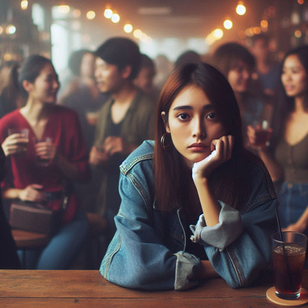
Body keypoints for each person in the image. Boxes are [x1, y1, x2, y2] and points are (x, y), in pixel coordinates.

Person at [100, 62, 278, 290]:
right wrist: (208, 268)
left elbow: (244, 271)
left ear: (229, 121)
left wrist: (201, 179)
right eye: (184, 116)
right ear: (166, 123)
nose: (198, 131)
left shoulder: (252, 172)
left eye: (212, 115)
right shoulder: (141, 168)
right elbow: (136, 267)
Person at [0, 55, 90, 269]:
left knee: (46, 271)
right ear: (28, 85)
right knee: (23, 274)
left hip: (67, 215)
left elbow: (85, 174)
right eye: (49, 80)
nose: (56, 85)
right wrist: (20, 192)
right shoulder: (7, 124)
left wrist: (59, 159)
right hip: (27, 217)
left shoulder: (68, 118)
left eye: (56, 79)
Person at [89, 37, 155, 238]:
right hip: (109, 202)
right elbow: (99, 150)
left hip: (142, 208)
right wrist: (94, 156)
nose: (97, 74)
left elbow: (169, 157)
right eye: (96, 67)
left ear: (125, 71)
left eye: (103, 67)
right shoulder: (105, 109)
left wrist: (130, 148)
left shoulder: (149, 109)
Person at [248, 45, 308, 235]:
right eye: (284, 72)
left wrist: (301, 225)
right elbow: (276, 175)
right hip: (281, 203)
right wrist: (261, 149)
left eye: (295, 71)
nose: (287, 78)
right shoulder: (279, 116)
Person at [212, 43, 268, 132]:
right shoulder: (212, 108)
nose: (247, 75)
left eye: (248, 69)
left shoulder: (256, 105)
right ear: (223, 70)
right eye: (239, 70)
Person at [59, 49, 107, 151]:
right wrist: (66, 94)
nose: (90, 65)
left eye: (93, 62)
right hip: (79, 140)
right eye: (87, 62)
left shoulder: (106, 88)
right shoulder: (73, 89)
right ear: (80, 65)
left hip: (103, 141)